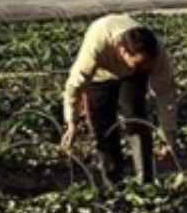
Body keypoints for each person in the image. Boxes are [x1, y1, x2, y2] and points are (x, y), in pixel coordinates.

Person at [61, 14, 179, 183]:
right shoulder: (98, 43)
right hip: (99, 76)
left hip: (131, 76)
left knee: (135, 117)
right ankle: (112, 181)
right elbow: (74, 86)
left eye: (148, 65)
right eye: (140, 63)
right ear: (122, 50)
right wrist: (71, 122)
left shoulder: (155, 53)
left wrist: (169, 136)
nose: (145, 67)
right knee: (102, 125)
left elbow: (165, 93)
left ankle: (145, 180)